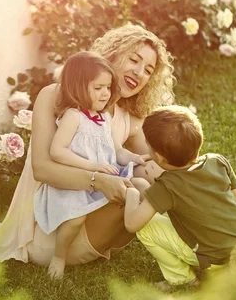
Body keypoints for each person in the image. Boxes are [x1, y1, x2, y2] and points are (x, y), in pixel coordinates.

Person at [0, 25, 175, 268]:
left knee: (146, 178)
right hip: (48, 233)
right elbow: (42, 169)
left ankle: (204, 242)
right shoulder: (55, 96)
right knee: (136, 188)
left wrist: (207, 180)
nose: (139, 72)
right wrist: (99, 180)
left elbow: (164, 170)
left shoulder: (129, 119)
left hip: (92, 227)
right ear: (112, 54)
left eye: (148, 70)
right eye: (134, 59)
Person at [124, 105, 236, 290]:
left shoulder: (166, 186)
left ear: (159, 157)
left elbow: (132, 224)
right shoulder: (217, 161)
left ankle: (183, 279)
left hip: (213, 257)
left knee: (146, 227)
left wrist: (131, 194)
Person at [33, 51, 150, 278]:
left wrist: (134, 158)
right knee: (75, 219)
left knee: (138, 185)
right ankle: (59, 256)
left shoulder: (103, 117)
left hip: (98, 179)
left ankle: (152, 232)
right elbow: (57, 152)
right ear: (78, 88)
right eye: (98, 88)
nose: (106, 94)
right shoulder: (73, 116)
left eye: (108, 87)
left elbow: (116, 150)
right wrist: (92, 167)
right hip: (73, 183)